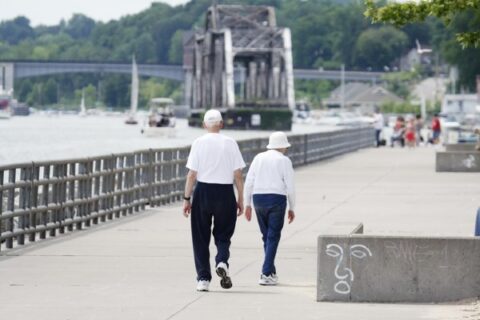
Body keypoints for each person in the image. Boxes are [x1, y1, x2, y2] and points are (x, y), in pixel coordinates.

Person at [183, 109, 246, 292]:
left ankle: (203, 279)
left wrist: (187, 198)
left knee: (200, 237)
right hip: (225, 192)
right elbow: (238, 175)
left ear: (204, 125)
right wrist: (240, 198)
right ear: (221, 124)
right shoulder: (230, 142)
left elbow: (191, 174)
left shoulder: (198, 142)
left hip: (203, 191)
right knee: (224, 234)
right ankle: (222, 261)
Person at [244, 131, 296, 286]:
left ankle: (271, 271)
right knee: (273, 236)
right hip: (276, 199)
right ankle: (266, 273)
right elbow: (290, 187)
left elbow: (249, 182)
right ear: (282, 146)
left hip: (258, 198)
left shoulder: (258, 158)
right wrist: (292, 207)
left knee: (266, 236)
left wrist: (247, 204)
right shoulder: (284, 160)